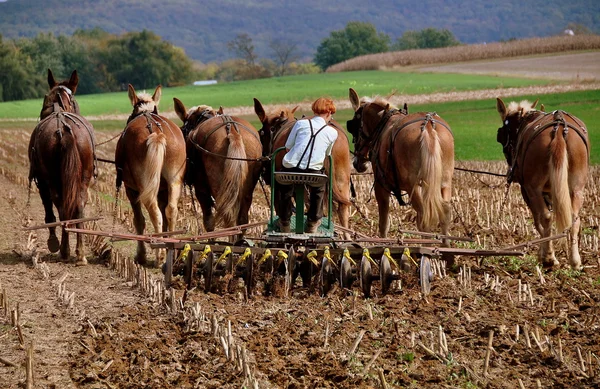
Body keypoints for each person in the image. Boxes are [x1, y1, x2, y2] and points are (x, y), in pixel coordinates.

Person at [278, 97, 339, 233]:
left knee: (284, 189)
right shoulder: (332, 132)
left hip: (290, 169)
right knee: (318, 190)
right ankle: (312, 222)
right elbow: (327, 153)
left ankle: (284, 221)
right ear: (329, 113)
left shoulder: (300, 124)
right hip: (313, 173)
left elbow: (288, 146)